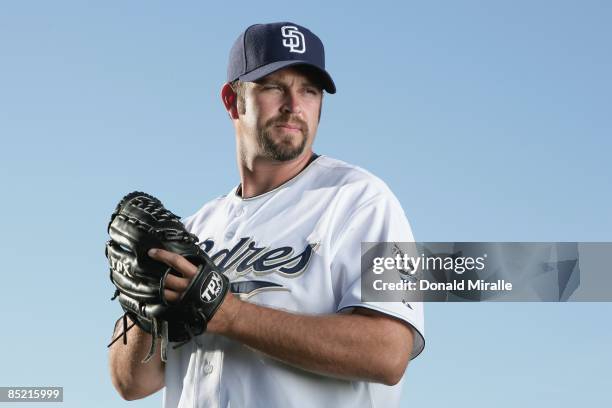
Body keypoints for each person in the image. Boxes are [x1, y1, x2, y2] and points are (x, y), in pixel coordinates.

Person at [109, 21, 425, 408]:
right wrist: (143, 308)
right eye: (275, 86)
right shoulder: (193, 229)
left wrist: (230, 315)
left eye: (309, 90)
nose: (294, 106)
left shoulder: (363, 201)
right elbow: (131, 382)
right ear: (232, 100)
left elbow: (388, 352)